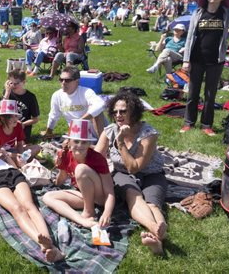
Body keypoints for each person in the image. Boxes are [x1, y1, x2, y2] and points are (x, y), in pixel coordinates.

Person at [0, 112, 65, 263]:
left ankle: (50, 245)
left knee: (29, 205)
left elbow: (14, 164)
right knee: (17, 208)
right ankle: (41, 242)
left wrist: (6, 155)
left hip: (12, 172)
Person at [94, 91, 167, 255]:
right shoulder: (110, 131)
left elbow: (135, 167)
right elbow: (97, 157)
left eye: (123, 111)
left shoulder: (148, 133)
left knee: (153, 204)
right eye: (115, 111)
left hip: (151, 173)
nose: (118, 115)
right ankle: (156, 230)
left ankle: (159, 236)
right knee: (133, 195)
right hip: (122, 173)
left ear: (133, 112)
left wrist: (120, 143)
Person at [180, 0, 229, 136]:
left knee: (210, 94)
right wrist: (186, 59)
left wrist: (225, 37)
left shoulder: (227, 13)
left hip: (216, 60)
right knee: (193, 93)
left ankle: (206, 125)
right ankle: (188, 122)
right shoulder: (198, 12)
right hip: (196, 59)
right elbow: (190, 37)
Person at [43, 119, 115, 228]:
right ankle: (81, 220)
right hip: (82, 194)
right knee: (47, 197)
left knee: (81, 169)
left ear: (89, 144)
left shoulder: (98, 158)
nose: (80, 145)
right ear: (69, 142)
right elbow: (62, 177)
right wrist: (54, 182)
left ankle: (89, 211)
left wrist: (107, 213)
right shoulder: (64, 155)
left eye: (84, 142)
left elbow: (110, 192)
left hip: (99, 197)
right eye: (76, 141)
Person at [42, 66, 106, 142]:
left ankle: (103, 144)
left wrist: (80, 121)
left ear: (77, 81)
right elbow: (54, 115)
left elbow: (100, 104)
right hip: (77, 134)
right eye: (61, 80)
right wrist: (48, 131)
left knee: (97, 114)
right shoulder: (57, 95)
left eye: (67, 80)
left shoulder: (86, 92)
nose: (63, 83)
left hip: (98, 132)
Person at [0, 99, 40, 167]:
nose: (15, 119)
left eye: (16, 116)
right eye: (11, 117)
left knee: (37, 147)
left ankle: (19, 162)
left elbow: (19, 144)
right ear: (3, 118)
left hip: (12, 150)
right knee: (1, 157)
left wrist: (21, 156)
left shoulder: (18, 125)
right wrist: (14, 156)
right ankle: (18, 163)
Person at [2, 69, 39, 140]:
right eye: (10, 83)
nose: (13, 86)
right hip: (8, 126)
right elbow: (1, 111)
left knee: (17, 145)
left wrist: (23, 124)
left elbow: (36, 119)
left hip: (22, 128)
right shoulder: (8, 92)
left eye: (16, 83)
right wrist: (7, 93)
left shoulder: (30, 97)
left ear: (24, 82)